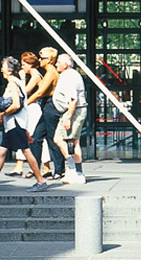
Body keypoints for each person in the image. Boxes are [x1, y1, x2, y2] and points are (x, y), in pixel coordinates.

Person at [0, 56, 46, 188]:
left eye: (3, 67)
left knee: (26, 150)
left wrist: (1, 114)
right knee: (2, 151)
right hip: (15, 123)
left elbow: (16, 104)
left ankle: (40, 180)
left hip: (15, 123)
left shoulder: (13, 83)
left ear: (9, 70)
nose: (1, 70)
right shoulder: (17, 82)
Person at [51, 52, 88, 184]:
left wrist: (68, 117)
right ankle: (75, 171)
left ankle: (74, 170)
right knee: (71, 140)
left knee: (63, 139)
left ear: (65, 65)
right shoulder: (70, 75)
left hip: (73, 111)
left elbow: (73, 99)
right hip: (73, 111)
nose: (56, 64)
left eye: (58, 62)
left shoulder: (68, 76)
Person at [30, 48, 62, 180]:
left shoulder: (51, 73)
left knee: (52, 139)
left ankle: (59, 170)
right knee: (36, 137)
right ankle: (36, 169)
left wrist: (25, 103)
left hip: (50, 106)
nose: (39, 60)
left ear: (49, 60)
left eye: (41, 58)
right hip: (46, 106)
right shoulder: (48, 72)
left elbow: (39, 93)